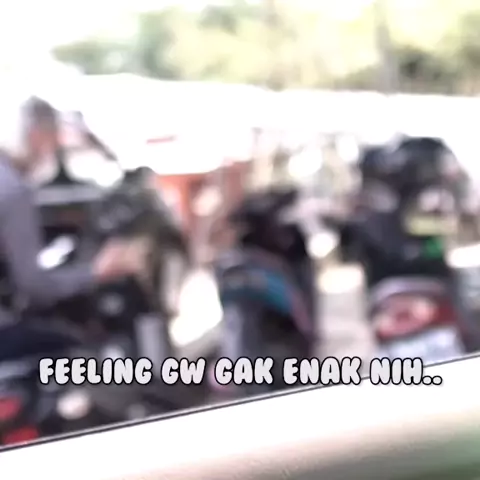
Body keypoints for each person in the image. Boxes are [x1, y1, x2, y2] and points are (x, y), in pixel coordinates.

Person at [0, 95, 143, 360]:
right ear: (38, 136)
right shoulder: (12, 189)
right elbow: (34, 286)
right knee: (78, 352)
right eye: (54, 139)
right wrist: (96, 272)